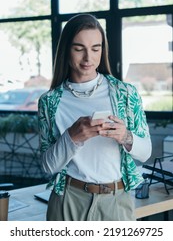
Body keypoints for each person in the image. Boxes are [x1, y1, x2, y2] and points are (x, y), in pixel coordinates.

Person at [38, 13, 152, 221]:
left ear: (103, 50)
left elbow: (145, 153)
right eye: (79, 49)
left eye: (95, 48)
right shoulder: (50, 101)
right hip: (68, 200)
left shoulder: (125, 94)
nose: (88, 58)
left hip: (116, 201)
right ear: (66, 49)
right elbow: (47, 167)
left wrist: (125, 136)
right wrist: (72, 137)